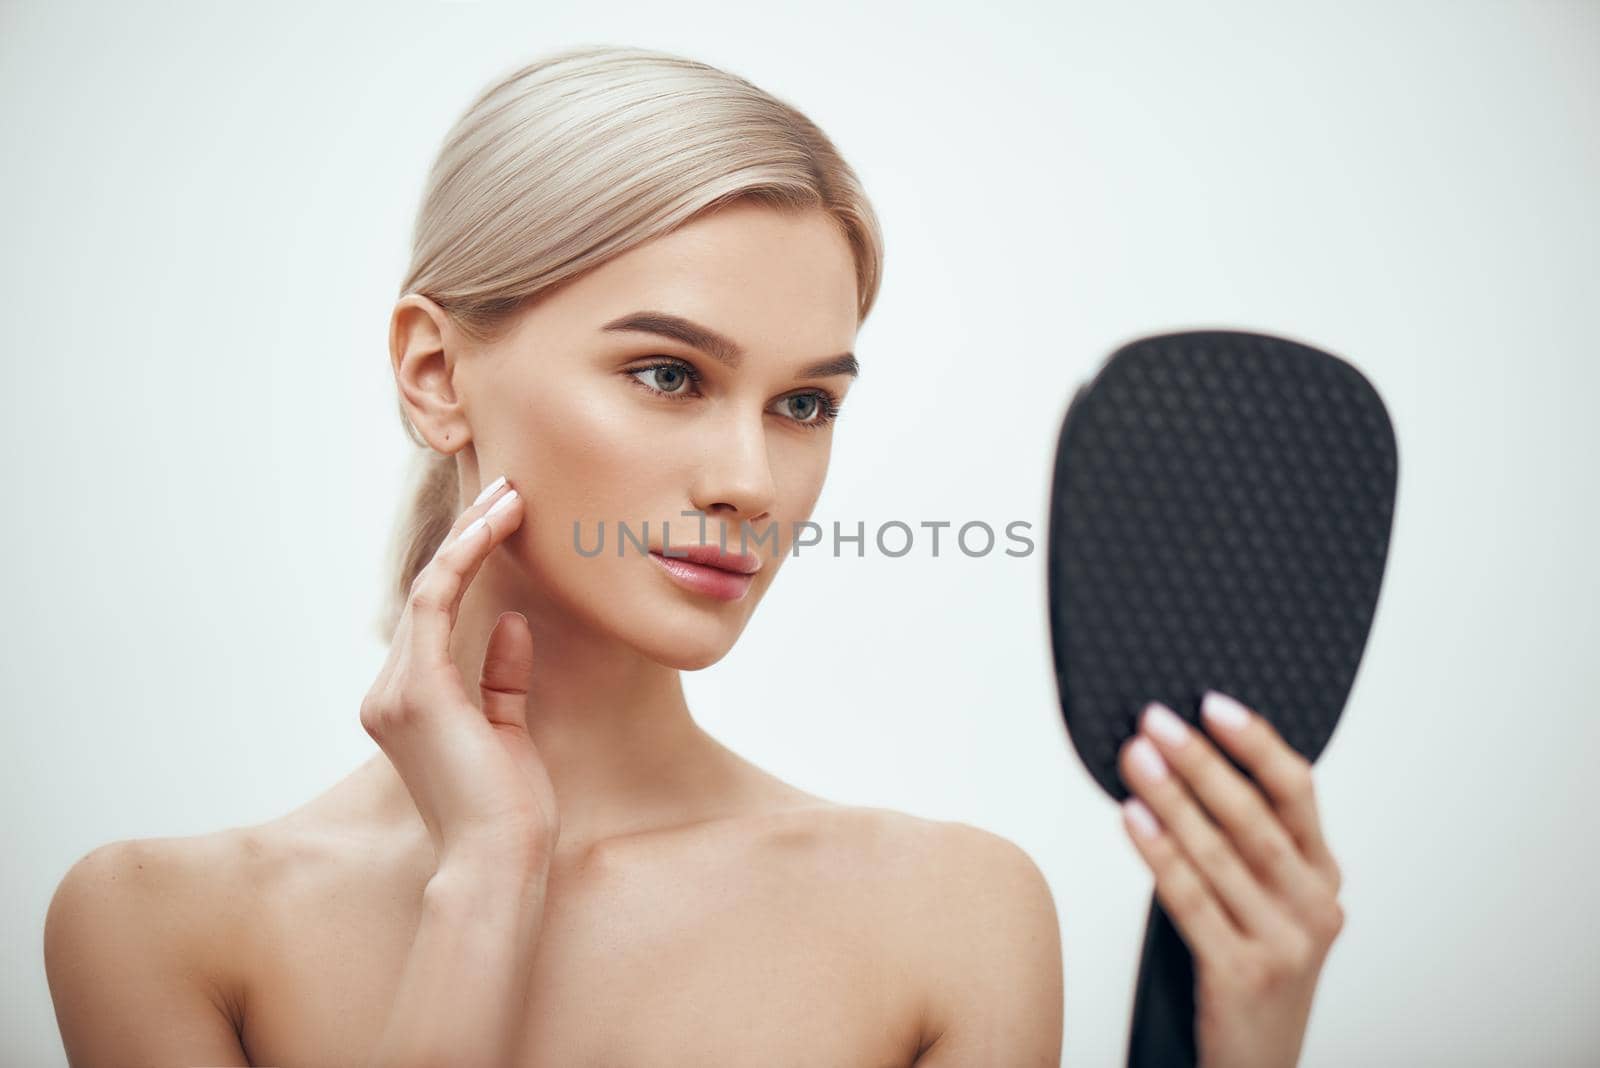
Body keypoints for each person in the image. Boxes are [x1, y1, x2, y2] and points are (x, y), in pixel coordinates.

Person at [42, 44, 1344, 1067]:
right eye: (669, 374)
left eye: (805, 404)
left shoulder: (954, 916)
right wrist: (485, 886)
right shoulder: (158, 929)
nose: (750, 481)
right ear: (435, 374)